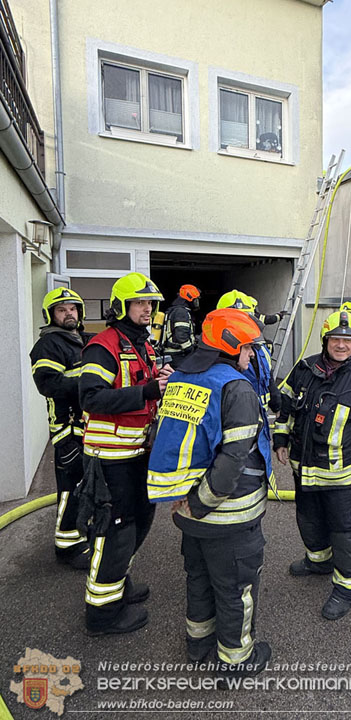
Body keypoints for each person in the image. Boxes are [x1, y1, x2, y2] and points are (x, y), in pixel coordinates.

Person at [147, 308, 273, 672]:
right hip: (228, 515)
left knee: (199, 580)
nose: (251, 356)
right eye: (248, 349)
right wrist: (201, 503)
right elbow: (233, 459)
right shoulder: (237, 388)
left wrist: (184, 504)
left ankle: (197, 646)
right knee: (236, 590)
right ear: (231, 346)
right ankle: (237, 662)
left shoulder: (184, 376)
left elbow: (166, 438)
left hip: (186, 512)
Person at [273, 310, 351, 620]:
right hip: (305, 471)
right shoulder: (305, 369)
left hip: (344, 478)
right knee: (309, 521)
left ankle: (348, 589)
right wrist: (281, 439)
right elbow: (286, 408)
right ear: (326, 340)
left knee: (346, 532)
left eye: (348, 340)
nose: (341, 345)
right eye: (336, 339)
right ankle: (319, 562)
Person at [78, 272, 172, 636]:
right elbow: (91, 397)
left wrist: (158, 377)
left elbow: (141, 382)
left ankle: (118, 584)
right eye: (139, 303)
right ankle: (101, 615)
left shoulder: (142, 344)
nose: (147, 309)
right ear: (120, 307)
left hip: (138, 452)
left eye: (150, 303)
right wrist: (148, 391)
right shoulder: (103, 346)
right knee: (114, 531)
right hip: (110, 456)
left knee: (139, 521)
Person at [30, 288, 93, 569]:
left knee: (85, 486)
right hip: (67, 430)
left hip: (86, 427)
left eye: (72, 308)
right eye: (61, 310)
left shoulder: (80, 340)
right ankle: (66, 546)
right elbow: (48, 385)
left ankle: (80, 533)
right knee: (70, 488)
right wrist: (89, 379)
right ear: (51, 315)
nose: (69, 313)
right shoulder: (49, 345)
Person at [216, 290, 281, 415]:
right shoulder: (216, 355)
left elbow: (268, 378)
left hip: (260, 418)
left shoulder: (261, 347)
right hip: (235, 420)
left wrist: (277, 404)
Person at [162, 284, 201, 367]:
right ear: (190, 298)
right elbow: (181, 335)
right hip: (178, 355)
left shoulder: (176, 310)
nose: (197, 303)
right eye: (196, 300)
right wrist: (190, 349)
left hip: (173, 354)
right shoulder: (181, 312)